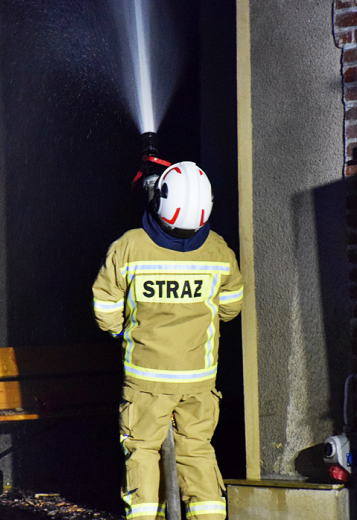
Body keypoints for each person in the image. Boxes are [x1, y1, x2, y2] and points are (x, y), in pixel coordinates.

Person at [92, 161, 243, 520]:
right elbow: (230, 308)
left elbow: (105, 310)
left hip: (146, 380)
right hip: (199, 381)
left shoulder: (129, 247)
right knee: (197, 451)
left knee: (142, 451)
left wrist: (123, 334)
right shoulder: (219, 251)